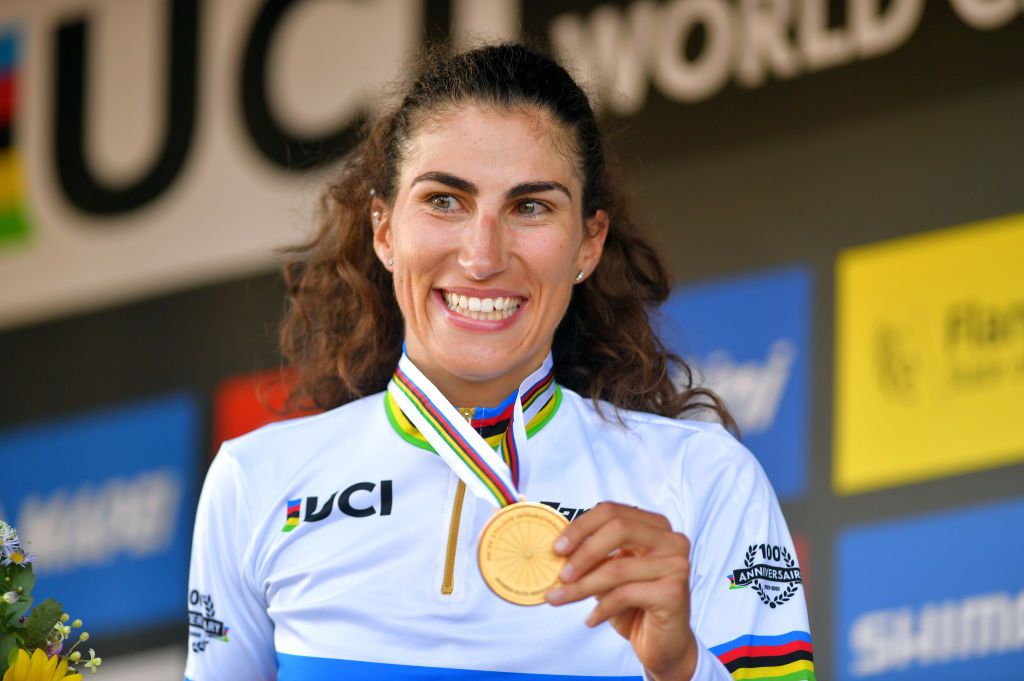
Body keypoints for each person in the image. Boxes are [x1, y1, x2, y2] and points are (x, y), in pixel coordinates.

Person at [185, 43, 813, 681]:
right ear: (384, 230)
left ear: (587, 245)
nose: (483, 256)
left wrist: (681, 668)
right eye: (444, 201)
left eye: (530, 207)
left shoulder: (701, 481)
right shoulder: (256, 482)